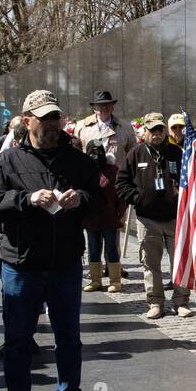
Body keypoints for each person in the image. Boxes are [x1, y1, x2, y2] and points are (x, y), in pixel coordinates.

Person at [0, 89, 97, 391]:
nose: (52, 124)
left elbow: (100, 197)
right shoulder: (7, 161)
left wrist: (80, 199)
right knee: (17, 341)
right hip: (21, 266)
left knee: (69, 338)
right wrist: (25, 199)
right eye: (44, 118)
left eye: (55, 117)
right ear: (27, 120)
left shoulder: (77, 160)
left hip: (65, 265)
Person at [116, 112, 189, 319]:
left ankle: (181, 301)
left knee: (179, 263)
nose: (156, 134)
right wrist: (137, 198)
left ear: (164, 131)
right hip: (147, 219)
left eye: (160, 130)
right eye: (152, 130)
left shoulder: (177, 152)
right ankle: (156, 303)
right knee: (150, 264)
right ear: (145, 131)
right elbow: (121, 183)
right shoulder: (136, 154)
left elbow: (189, 179)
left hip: (175, 218)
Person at [81, 126, 126, 293]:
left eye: (98, 151)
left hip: (110, 218)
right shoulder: (84, 171)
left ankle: (115, 280)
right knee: (93, 249)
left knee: (111, 249)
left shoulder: (113, 171)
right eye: (92, 151)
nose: (95, 155)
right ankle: (95, 280)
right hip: (91, 219)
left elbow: (121, 194)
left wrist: (119, 214)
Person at [74, 90, 135, 163]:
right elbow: (76, 153)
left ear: (112, 107)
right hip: (90, 172)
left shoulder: (126, 127)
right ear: (94, 108)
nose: (104, 108)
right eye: (100, 105)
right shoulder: (81, 126)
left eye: (108, 104)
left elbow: (133, 155)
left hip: (117, 172)